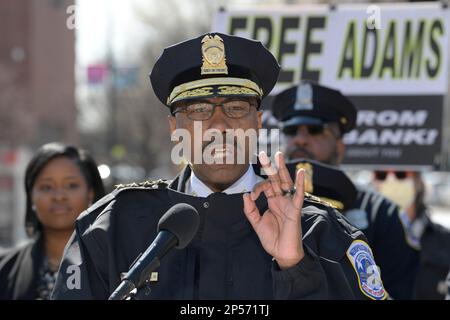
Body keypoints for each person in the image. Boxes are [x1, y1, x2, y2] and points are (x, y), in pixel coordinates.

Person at [51, 33, 386, 300]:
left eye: (236, 108)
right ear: (174, 127)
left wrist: (295, 269)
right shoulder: (112, 227)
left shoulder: (319, 229)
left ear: (257, 122)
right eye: (198, 110)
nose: (219, 125)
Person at [270, 80, 434, 299]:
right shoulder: (259, 205)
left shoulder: (381, 213)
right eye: (291, 130)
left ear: (340, 146)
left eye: (314, 130)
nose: (300, 139)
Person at [0, 142, 105, 299]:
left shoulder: (118, 267)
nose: (58, 196)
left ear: (90, 194)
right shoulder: (4, 269)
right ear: (31, 197)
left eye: (71, 185)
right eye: (47, 187)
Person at [373, 170, 450, 299]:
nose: (391, 181)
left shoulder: (445, 240)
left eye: (401, 174)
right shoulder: (360, 240)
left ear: (418, 180)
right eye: (381, 175)